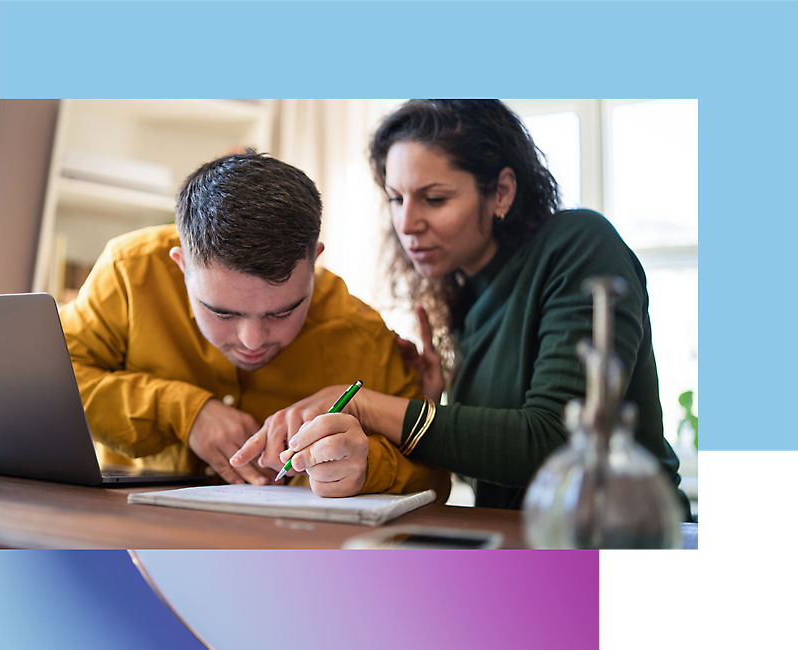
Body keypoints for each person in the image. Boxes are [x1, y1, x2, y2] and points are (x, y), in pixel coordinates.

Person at [234, 100, 689, 517]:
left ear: (502, 192)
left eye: (434, 199)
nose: (407, 223)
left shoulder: (579, 244)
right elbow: (491, 467)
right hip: (525, 542)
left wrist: (373, 408)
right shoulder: (464, 297)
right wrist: (431, 397)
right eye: (396, 199)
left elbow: (553, 443)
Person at [59, 151, 448, 498]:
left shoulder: (361, 333)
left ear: (314, 260)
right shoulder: (130, 271)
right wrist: (183, 411)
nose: (252, 341)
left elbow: (434, 478)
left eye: (282, 312)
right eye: (222, 313)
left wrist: (367, 468)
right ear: (181, 264)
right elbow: (54, 381)